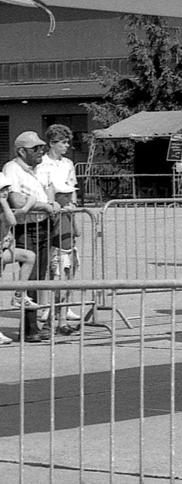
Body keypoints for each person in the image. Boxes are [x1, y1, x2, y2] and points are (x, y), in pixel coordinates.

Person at [2, 132, 70, 337]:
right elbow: (16, 200)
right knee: (29, 277)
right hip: (25, 227)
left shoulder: (43, 168)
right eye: (35, 149)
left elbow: (49, 190)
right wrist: (46, 206)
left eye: (41, 147)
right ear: (22, 151)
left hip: (44, 226)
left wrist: (50, 206)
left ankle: (34, 327)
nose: (40, 151)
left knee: (39, 277)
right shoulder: (12, 169)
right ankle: (30, 329)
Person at [37, 124, 80, 290]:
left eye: (67, 142)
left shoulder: (68, 163)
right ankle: (48, 305)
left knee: (68, 259)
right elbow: (43, 188)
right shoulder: (41, 164)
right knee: (51, 260)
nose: (67, 146)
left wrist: (73, 206)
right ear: (52, 143)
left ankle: (63, 304)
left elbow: (72, 186)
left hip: (66, 213)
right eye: (63, 142)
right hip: (48, 213)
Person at [0, 178, 39, 344]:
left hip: (2, 252)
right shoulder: (3, 207)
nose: (5, 192)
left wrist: (24, 206)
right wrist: (3, 202)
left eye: (6, 189)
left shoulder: (6, 205)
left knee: (29, 256)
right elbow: (12, 220)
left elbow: (33, 198)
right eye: (2, 190)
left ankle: (19, 294)